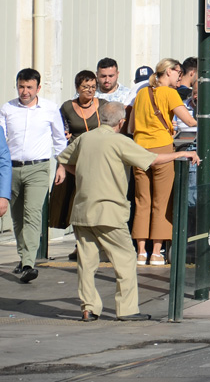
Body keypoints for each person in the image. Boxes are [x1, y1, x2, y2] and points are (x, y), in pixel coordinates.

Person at [55, 101, 199, 322]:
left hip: (83, 210)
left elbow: (64, 159)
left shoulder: (85, 138)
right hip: (110, 211)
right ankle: (127, 309)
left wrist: (83, 173)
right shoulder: (119, 141)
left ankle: (88, 307)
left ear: (99, 118)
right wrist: (180, 155)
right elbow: (152, 159)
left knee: (87, 261)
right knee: (125, 258)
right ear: (121, 122)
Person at [0, 68, 66, 283]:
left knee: (33, 214)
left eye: (29, 87)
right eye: (21, 86)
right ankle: (23, 256)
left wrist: (61, 165)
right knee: (17, 217)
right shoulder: (7, 109)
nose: (24, 91)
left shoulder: (49, 109)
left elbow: (59, 140)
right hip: (12, 169)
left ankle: (29, 263)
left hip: (38, 168)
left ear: (38, 87)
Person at [130, 59, 197, 267]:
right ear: (169, 71)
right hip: (162, 149)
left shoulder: (141, 93)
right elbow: (190, 121)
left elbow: (131, 126)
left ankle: (141, 252)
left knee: (142, 201)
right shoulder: (169, 93)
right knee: (162, 201)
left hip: (139, 149)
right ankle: (156, 252)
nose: (180, 76)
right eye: (179, 72)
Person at [50, 70, 102, 231]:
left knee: (93, 202)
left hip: (97, 160)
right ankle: (77, 241)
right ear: (77, 88)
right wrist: (61, 165)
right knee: (73, 201)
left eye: (93, 87)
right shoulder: (67, 107)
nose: (90, 90)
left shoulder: (103, 104)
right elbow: (61, 136)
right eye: (86, 86)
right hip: (75, 160)